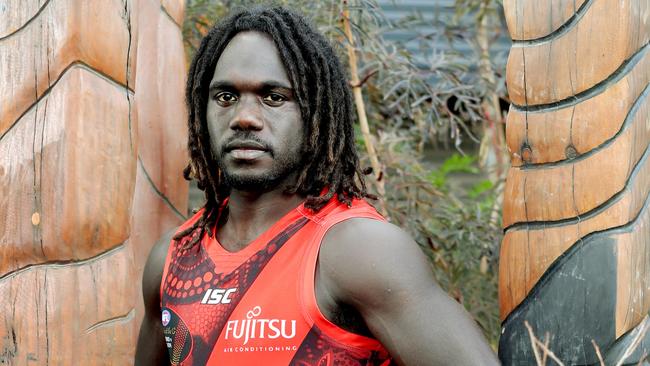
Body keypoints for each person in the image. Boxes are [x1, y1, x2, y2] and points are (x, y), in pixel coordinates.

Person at [135, 6, 499, 366]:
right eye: (226, 97)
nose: (244, 117)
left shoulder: (358, 252)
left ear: (314, 117)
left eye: (274, 97)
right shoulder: (171, 261)